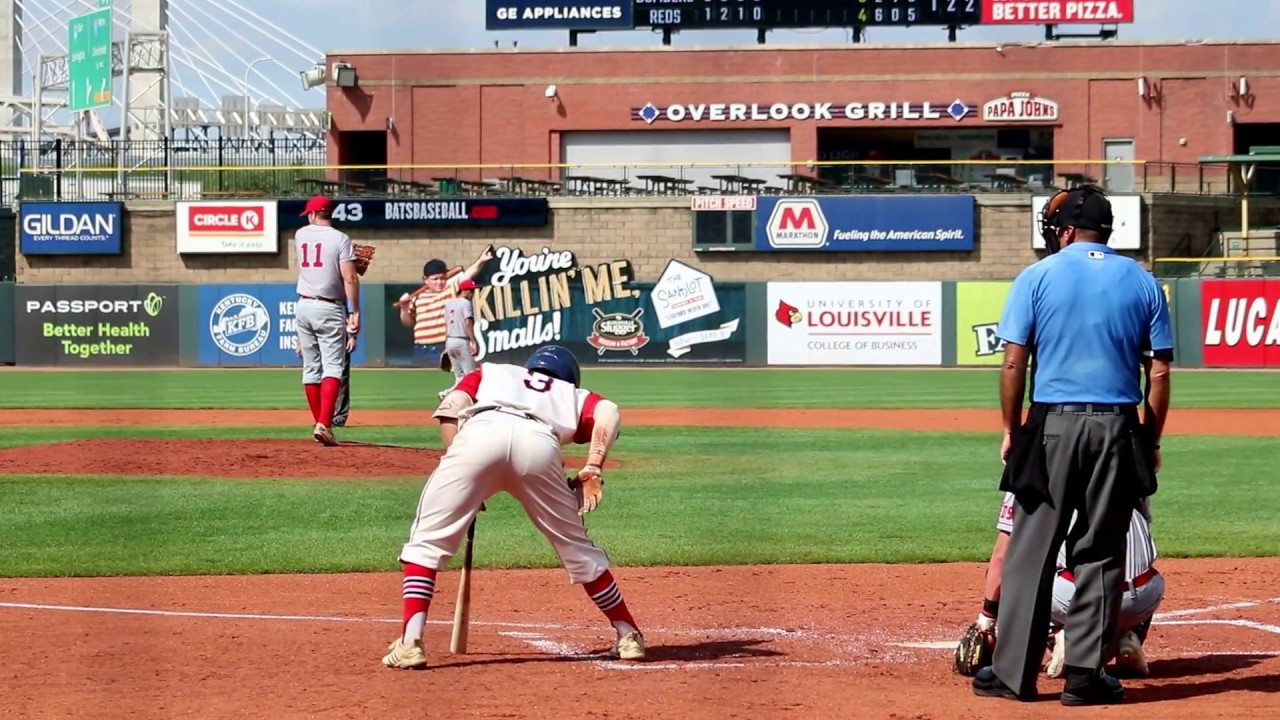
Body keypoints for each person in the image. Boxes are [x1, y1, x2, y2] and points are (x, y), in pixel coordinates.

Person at [971, 185, 1173, 706]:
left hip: (1052, 423)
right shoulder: (1144, 281)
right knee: (1101, 552)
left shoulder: (1036, 276)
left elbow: (1014, 361)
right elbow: (1160, 371)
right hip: (1116, 425)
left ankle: (1014, 673)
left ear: (1064, 231)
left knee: (1031, 549)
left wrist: (1013, 429)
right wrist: (1149, 439)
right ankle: (1084, 677)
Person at [381, 345, 645, 670]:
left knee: (427, 542)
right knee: (576, 547)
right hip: (539, 443)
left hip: (481, 433)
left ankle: (410, 642)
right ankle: (628, 634)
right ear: (569, 377)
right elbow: (610, 412)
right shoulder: (571, 394)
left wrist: (464, 477)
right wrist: (593, 466)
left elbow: (450, 410)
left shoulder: (491, 372)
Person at [970, 491, 1164, 682]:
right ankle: (1128, 634)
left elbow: (1002, 557)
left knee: (1024, 568)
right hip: (1144, 594)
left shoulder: (1032, 471)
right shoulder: (1127, 464)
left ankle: (1059, 636)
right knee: (1135, 564)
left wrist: (986, 620)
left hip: (1077, 597)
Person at [293, 195, 360, 446]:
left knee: (311, 368)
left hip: (303, 304)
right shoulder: (341, 239)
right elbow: (349, 278)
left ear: (312, 214)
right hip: (329, 306)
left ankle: (320, 424)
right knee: (333, 367)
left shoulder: (299, 235)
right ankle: (324, 424)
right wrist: (354, 311)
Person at [395, 247, 493, 398]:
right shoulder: (417, 298)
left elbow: (468, 274)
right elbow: (408, 323)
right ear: (425, 280)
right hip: (421, 349)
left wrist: (481, 261)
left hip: (443, 348)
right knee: (420, 389)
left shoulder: (451, 289)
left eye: (442, 278)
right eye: (435, 279)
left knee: (458, 379)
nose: (439, 282)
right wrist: (404, 307)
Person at [441, 278, 480, 394]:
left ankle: (447, 394)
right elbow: (468, 322)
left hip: (450, 341)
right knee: (471, 376)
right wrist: (473, 341)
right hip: (462, 341)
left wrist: (446, 346)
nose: (472, 293)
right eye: (471, 290)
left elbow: (447, 325)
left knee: (459, 377)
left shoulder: (449, 304)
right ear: (464, 290)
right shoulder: (466, 303)